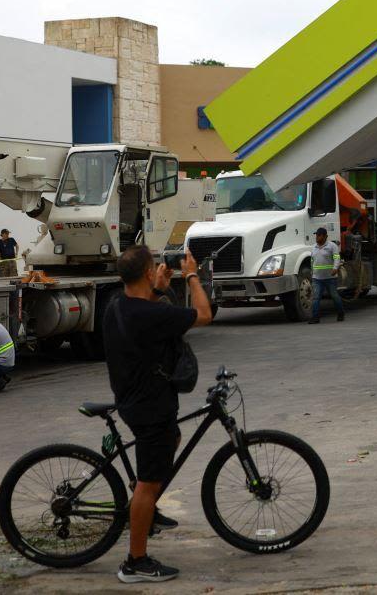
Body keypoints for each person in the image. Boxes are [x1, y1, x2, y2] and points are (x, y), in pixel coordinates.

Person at [104, 245, 213, 583]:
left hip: (133, 401)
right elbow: (204, 314)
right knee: (149, 485)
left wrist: (159, 289)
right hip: (150, 407)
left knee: (173, 440)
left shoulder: (117, 306)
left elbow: (144, 309)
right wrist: (191, 275)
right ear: (148, 272)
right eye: (154, 267)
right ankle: (135, 562)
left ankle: (145, 509)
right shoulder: (151, 316)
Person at [309, 227, 345, 323]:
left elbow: (337, 258)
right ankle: (315, 317)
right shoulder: (313, 247)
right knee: (316, 298)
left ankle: (341, 313)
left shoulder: (332, 246)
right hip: (317, 278)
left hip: (330, 278)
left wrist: (335, 268)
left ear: (325, 236)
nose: (317, 237)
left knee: (334, 296)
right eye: (316, 235)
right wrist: (312, 272)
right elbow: (312, 260)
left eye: (319, 235)